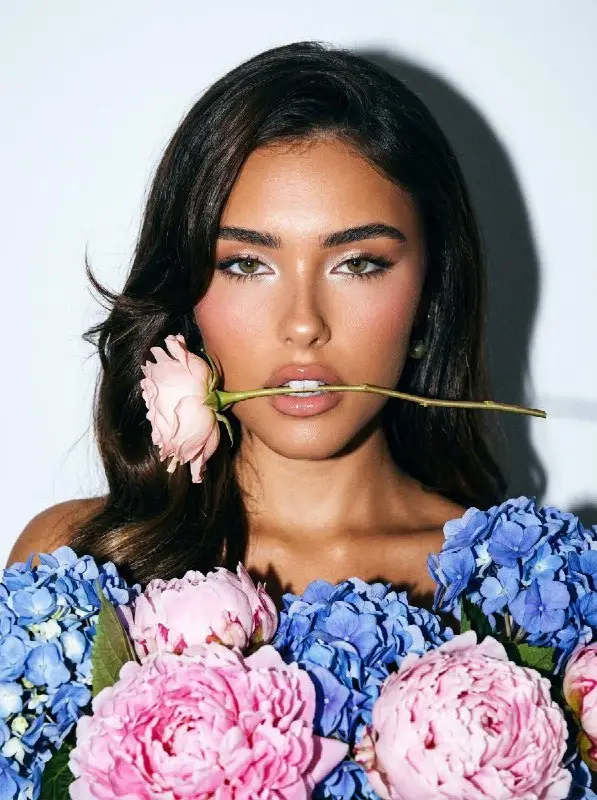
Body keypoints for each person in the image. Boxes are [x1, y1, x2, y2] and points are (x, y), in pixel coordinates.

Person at [8, 40, 507, 609]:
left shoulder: (519, 586)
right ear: (185, 292)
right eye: (247, 265)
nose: (303, 324)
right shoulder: (74, 567)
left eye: (357, 264)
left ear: (432, 292)